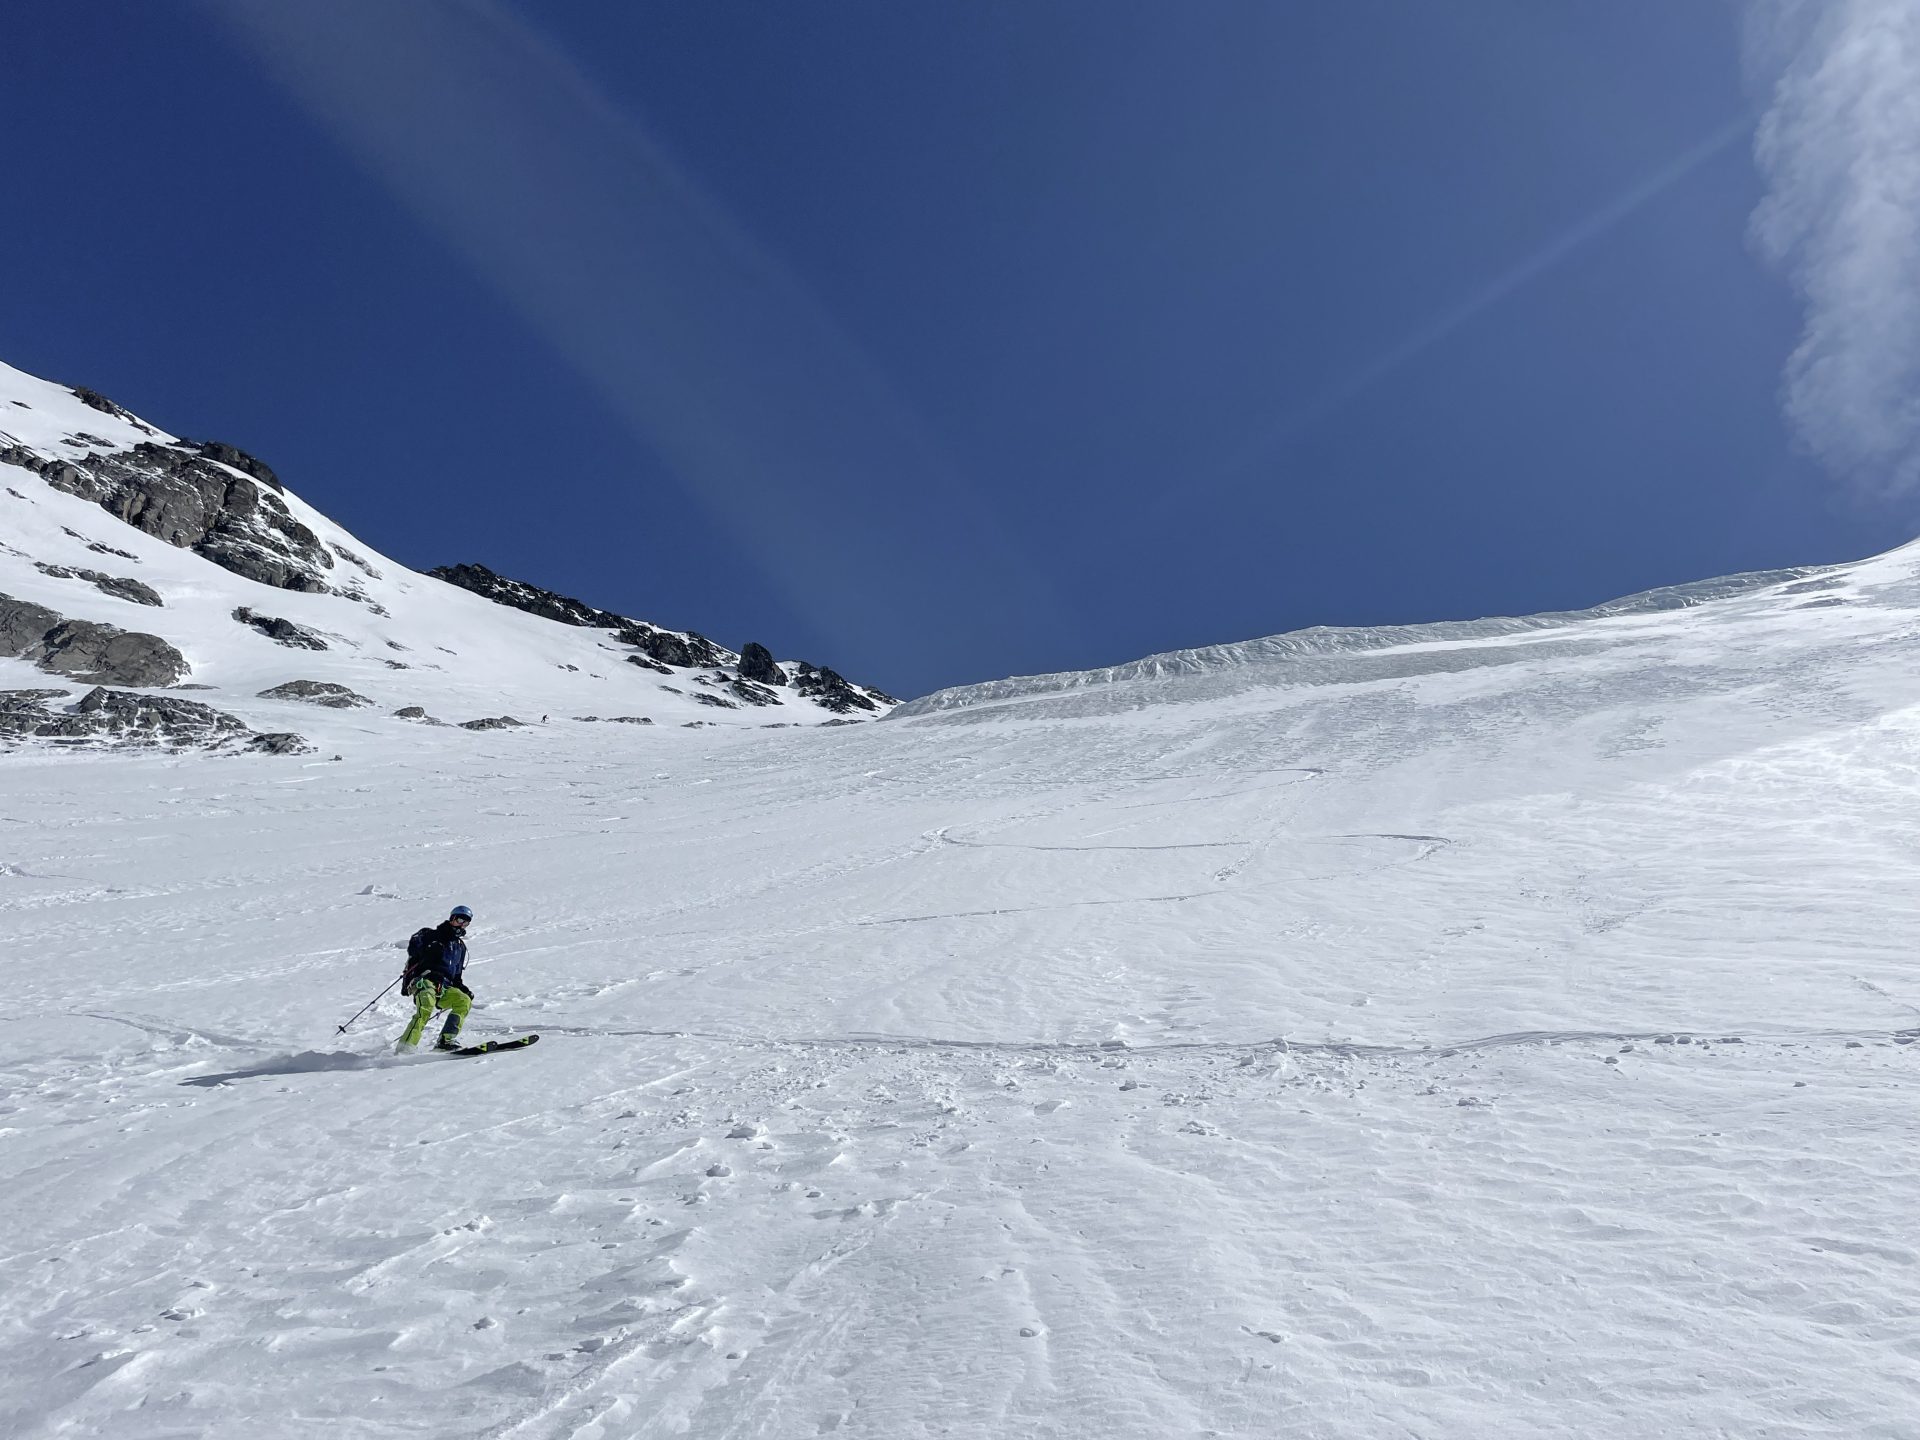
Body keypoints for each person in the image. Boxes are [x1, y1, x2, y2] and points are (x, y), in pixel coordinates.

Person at [397, 905, 474, 1052]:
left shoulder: (460, 947)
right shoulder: (431, 934)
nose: (462, 925)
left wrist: (463, 989)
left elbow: (456, 975)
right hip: (425, 980)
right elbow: (414, 946)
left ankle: (446, 1041)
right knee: (426, 1008)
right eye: (459, 920)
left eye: (466, 923)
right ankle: (405, 1048)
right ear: (452, 918)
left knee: (463, 1001)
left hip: (445, 986)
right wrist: (431, 947)